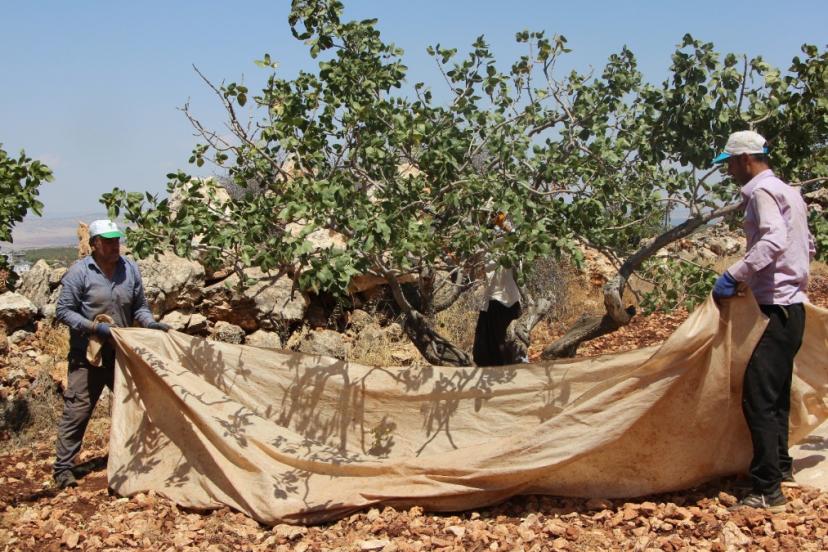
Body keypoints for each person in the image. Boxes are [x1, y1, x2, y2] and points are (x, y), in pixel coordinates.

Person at [711, 130, 816, 511]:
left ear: (744, 160)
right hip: (793, 309)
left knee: (758, 398)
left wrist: (735, 274)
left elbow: (772, 241)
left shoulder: (760, 193)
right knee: (775, 395)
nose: (730, 172)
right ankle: (781, 468)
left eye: (730, 165)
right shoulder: (790, 192)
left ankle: (767, 490)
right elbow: (807, 246)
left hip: (774, 310)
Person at [53, 219, 170, 489]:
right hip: (88, 355)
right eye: (108, 241)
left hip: (121, 354)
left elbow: (139, 306)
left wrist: (150, 324)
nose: (114, 245)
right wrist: (95, 327)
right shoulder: (79, 273)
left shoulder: (130, 269)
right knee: (78, 410)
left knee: (140, 405)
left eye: (116, 240)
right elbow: (64, 311)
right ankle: (63, 469)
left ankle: (144, 457)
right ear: (94, 244)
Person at [472, 212, 523, 366]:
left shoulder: (504, 244)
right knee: (484, 344)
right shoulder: (489, 246)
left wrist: (503, 224)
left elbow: (515, 237)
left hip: (504, 300)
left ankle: (502, 371)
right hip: (493, 299)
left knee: (495, 345)